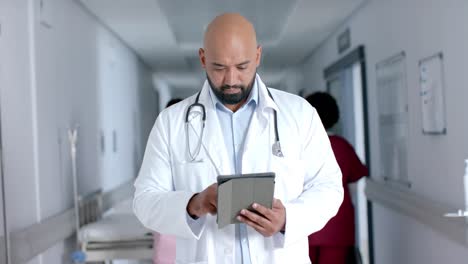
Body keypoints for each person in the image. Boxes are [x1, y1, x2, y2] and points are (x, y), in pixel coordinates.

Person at [133, 13, 343, 264]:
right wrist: (194, 204)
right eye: (219, 67)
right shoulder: (171, 123)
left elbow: (329, 187)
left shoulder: (299, 114)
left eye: (242, 67)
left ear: (257, 56)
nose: (231, 80)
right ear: (203, 58)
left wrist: (288, 218)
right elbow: (144, 201)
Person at [305, 92, 368, 264]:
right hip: (338, 223)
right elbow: (356, 176)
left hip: (306, 221)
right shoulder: (342, 145)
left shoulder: (299, 146)